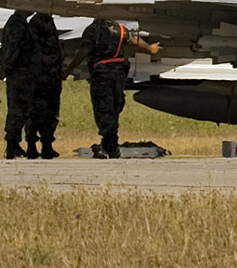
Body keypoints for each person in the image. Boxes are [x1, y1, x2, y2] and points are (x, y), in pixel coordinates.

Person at [65, 18, 161, 159]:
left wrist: (69, 69)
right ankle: (110, 143)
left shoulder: (93, 30)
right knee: (115, 106)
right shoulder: (119, 29)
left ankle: (109, 145)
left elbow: (84, 51)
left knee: (103, 108)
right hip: (119, 73)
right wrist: (151, 48)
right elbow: (135, 40)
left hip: (102, 73)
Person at [0, 10, 41, 159]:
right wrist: (5, 69)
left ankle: (14, 144)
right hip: (20, 74)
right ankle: (12, 144)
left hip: (22, 74)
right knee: (18, 110)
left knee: (21, 109)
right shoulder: (17, 24)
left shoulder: (17, 23)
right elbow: (12, 49)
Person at [26, 13, 64, 159]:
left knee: (51, 111)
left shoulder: (48, 20)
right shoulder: (38, 21)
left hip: (52, 75)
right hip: (40, 76)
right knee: (36, 110)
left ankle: (47, 145)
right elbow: (29, 45)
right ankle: (31, 145)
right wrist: (41, 58)